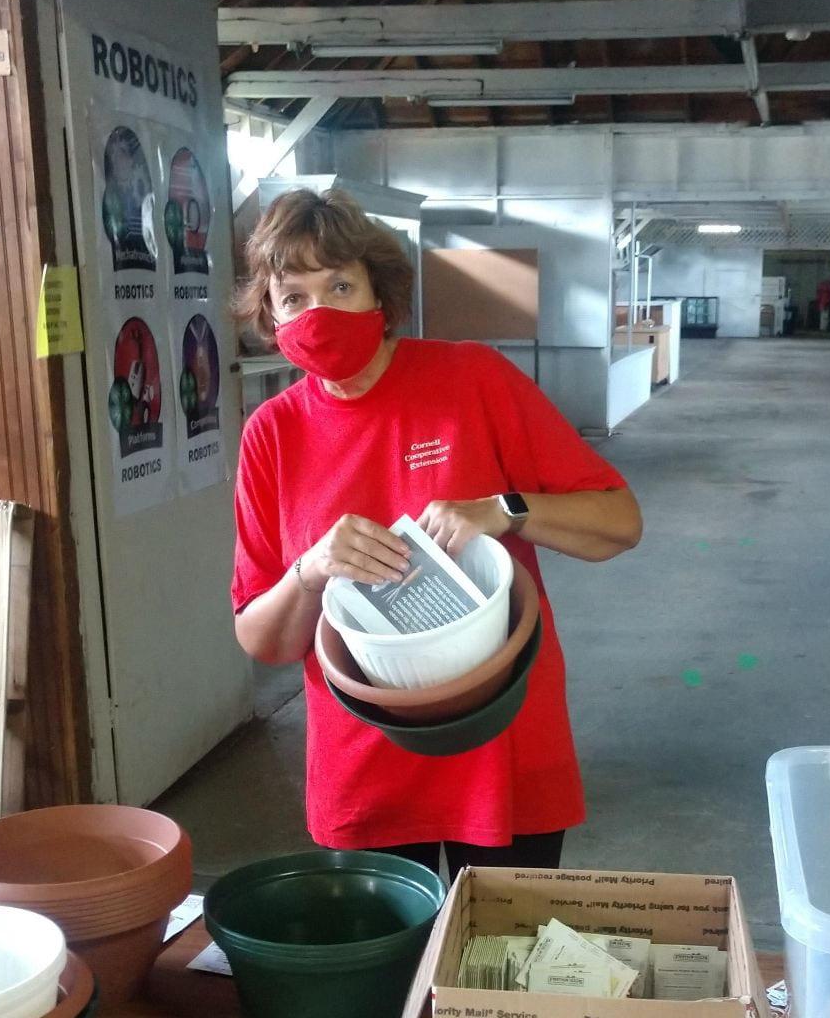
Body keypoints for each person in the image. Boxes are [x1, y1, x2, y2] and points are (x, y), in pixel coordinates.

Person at [228, 189, 642, 878]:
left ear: (380, 295)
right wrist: (310, 569)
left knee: (500, 973)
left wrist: (503, 510)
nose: (319, 313)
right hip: (364, 766)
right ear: (270, 316)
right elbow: (263, 640)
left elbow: (618, 522)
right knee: (389, 976)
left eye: (339, 285)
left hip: (500, 746)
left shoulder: (471, 380)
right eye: (293, 297)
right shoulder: (273, 434)